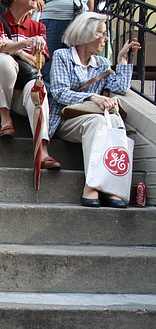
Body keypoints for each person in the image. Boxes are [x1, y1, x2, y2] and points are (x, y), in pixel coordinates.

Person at [49, 12, 140, 208]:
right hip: (66, 120)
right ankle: (92, 185)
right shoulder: (62, 56)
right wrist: (91, 97)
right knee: (98, 122)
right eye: (102, 33)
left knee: (114, 122)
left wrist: (122, 60)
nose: (106, 39)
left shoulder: (103, 63)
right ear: (86, 34)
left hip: (92, 121)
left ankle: (111, 187)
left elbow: (120, 88)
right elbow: (59, 92)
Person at [0, 0, 62, 170]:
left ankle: (43, 150)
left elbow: (38, 64)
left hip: (21, 96)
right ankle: (5, 118)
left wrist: (12, 49)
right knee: (3, 60)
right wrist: (25, 44)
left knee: (37, 86)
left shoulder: (39, 28)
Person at [39, 0, 94, 86]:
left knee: (76, 67)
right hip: (54, 16)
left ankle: (70, 96)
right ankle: (48, 97)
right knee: (49, 67)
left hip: (80, 18)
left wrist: (90, 15)